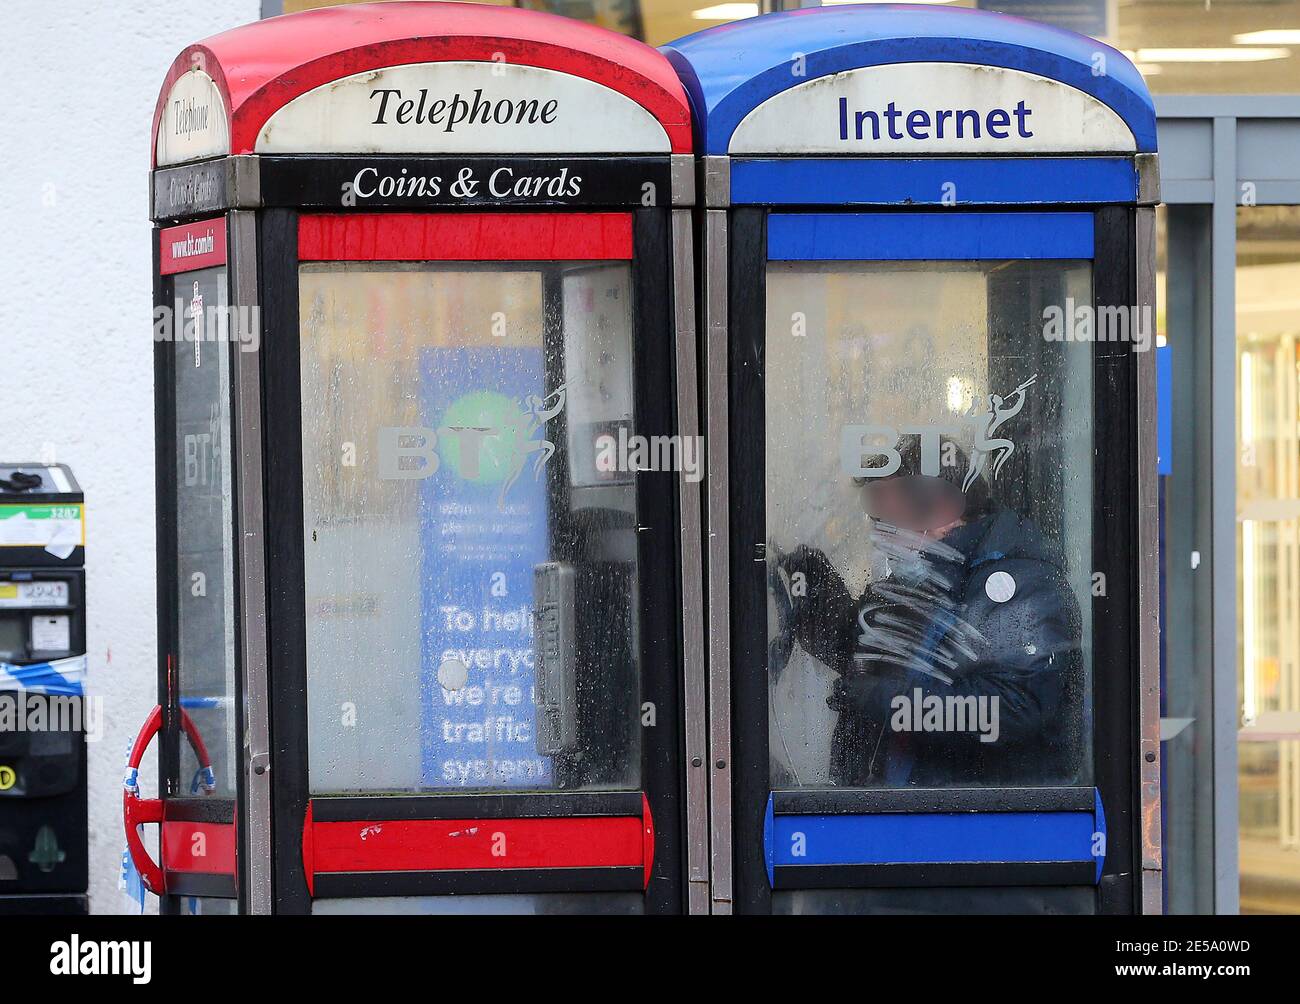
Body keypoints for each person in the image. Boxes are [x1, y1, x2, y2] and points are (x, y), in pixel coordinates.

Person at [776, 436, 1083, 787]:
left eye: (888, 518)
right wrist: (821, 604)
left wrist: (883, 699)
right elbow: (885, 664)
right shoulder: (927, 576)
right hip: (896, 808)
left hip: (977, 816)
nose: (879, 533)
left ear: (940, 507)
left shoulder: (1018, 582)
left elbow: (1012, 707)